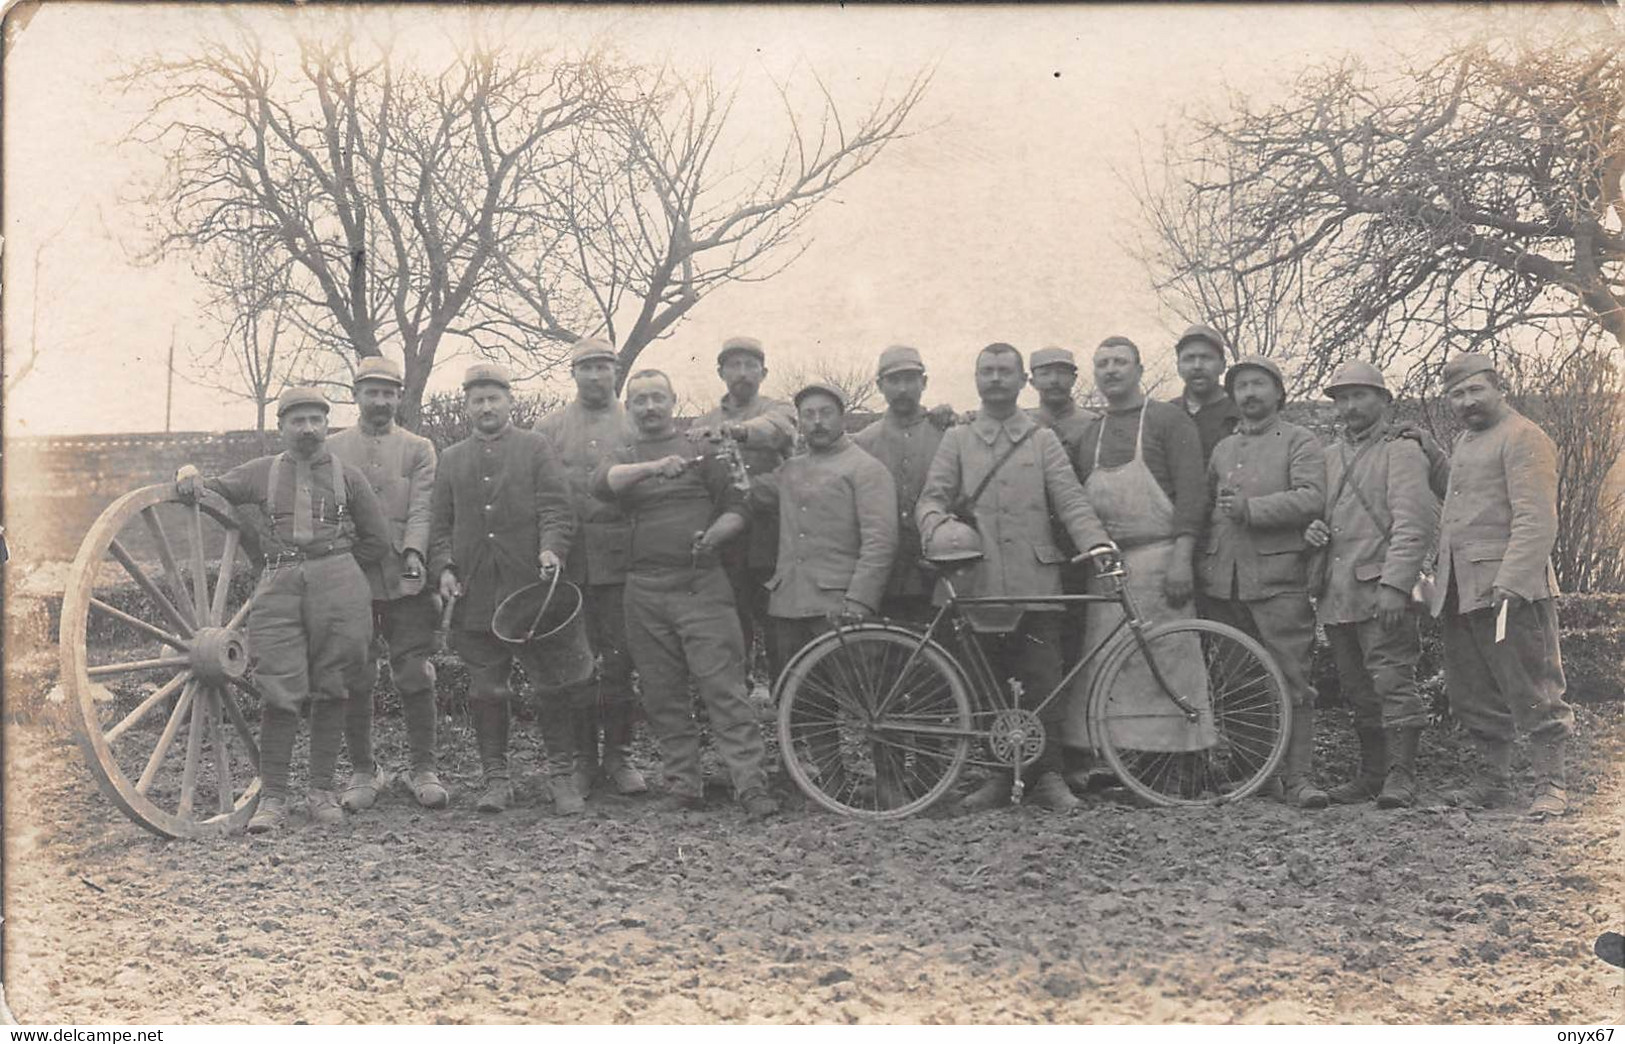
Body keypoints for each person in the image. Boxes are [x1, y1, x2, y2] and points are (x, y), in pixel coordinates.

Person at [175, 387, 389, 833]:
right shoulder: (261, 472)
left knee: (333, 685)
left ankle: (320, 791)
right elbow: (213, 492)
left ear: (327, 425)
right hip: (279, 584)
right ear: (282, 427)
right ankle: (273, 798)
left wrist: (339, 569)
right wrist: (190, 472)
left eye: (316, 420)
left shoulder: (349, 476)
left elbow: (377, 539)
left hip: (339, 582)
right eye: (299, 421)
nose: (308, 429)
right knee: (279, 686)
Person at [916, 343, 1113, 812]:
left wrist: (1097, 544)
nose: (996, 379)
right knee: (985, 684)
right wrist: (940, 533)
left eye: (1006, 371)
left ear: (1023, 380)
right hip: (975, 584)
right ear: (976, 379)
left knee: (1043, 680)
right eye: (987, 371)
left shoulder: (1041, 439)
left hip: (1036, 584)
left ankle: (1048, 777)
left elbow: (1071, 501)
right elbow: (930, 500)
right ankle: (998, 777)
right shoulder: (958, 440)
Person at [594, 369, 778, 819]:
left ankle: (751, 786)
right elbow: (602, 484)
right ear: (629, 406)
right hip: (644, 589)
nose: (650, 407)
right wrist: (655, 468)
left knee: (723, 688)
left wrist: (714, 536)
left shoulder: (703, 446)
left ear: (674, 400)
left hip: (701, 584)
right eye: (640, 400)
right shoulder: (624, 454)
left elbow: (740, 508)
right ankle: (683, 785)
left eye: (658, 397)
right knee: (661, 692)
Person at [428, 363, 580, 815]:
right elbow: (440, 526)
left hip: (531, 592)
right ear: (467, 406)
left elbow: (557, 508)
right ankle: (496, 780)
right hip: (476, 594)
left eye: (495, 398)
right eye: (478, 400)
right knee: (486, 691)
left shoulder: (535, 448)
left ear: (510, 402)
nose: (487, 407)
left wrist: (552, 550)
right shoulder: (451, 458)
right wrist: (445, 567)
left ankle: (561, 776)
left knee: (552, 686)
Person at [1429, 353, 1573, 818]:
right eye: (1457, 394)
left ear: (1498, 387)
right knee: (1473, 690)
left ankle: (1551, 784)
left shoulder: (1524, 436)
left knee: (1533, 685)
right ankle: (1493, 782)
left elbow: (1536, 519)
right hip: (1464, 589)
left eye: (1475, 390)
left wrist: (1512, 580)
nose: (1467, 401)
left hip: (1512, 590)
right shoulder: (1468, 442)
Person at [1063, 337, 1209, 790]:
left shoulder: (1168, 420)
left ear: (1140, 369)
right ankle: (1122, 764)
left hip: (1162, 559)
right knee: (1112, 666)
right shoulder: (1092, 432)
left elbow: (1192, 494)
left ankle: (1179, 767)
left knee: (1169, 663)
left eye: (1120, 362)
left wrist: (1182, 557)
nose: (1111, 370)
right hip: (1109, 569)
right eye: (1102, 363)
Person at [1303, 361, 1436, 809]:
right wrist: (1312, 533)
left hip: (1382, 591)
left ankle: (1402, 775)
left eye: (1360, 395)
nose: (1350, 406)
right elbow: (1319, 518)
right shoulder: (1327, 456)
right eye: (1342, 398)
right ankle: (1372, 774)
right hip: (1338, 593)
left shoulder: (1401, 451)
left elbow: (1413, 523)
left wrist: (1397, 585)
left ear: (1384, 400)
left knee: (1393, 680)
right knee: (1357, 688)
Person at [1198, 355, 1329, 809]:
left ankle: (1299, 779)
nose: (1250, 393)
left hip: (1278, 578)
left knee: (1293, 679)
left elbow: (1312, 497)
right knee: (1239, 683)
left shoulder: (1299, 440)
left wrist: (1253, 510)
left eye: (1259, 384)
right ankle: (1259, 775)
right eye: (1241, 386)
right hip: (1224, 582)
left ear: (1278, 392)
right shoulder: (1222, 449)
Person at [327, 357, 448, 811]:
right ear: (356, 394)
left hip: (405, 578)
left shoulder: (419, 448)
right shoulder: (333, 448)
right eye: (371, 392)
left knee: (414, 672)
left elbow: (423, 507)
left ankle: (424, 767)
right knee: (356, 674)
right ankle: (364, 769)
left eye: (388, 393)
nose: (379, 401)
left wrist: (415, 552)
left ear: (400, 397)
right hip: (353, 576)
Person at [535, 338, 648, 798]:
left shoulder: (636, 423)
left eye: (604, 367)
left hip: (624, 563)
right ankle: (583, 759)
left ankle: (619, 757)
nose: (596, 376)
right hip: (571, 562)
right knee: (575, 665)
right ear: (574, 374)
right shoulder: (550, 427)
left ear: (616, 372)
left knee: (621, 662)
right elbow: (541, 495)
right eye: (587, 368)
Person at [757, 381, 899, 661]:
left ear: (842, 417)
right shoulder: (790, 470)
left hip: (840, 608)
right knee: (795, 699)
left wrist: (860, 600)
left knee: (854, 697)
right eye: (808, 415)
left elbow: (880, 542)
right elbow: (748, 493)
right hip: (788, 607)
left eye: (826, 413)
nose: (817, 422)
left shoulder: (866, 468)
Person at [692, 337, 797, 690]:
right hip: (726, 538)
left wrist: (738, 431)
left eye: (750, 365)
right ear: (720, 372)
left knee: (779, 626)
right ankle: (737, 699)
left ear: (764, 372)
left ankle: (789, 704)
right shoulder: (704, 421)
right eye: (733, 365)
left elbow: (776, 429)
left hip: (773, 536)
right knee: (731, 624)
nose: (742, 373)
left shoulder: (778, 408)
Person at [851, 345, 949, 622]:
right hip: (885, 576)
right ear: (880, 385)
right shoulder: (863, 443)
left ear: (924, 382)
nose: (903, 388)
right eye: (894, 380)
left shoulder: (947, 434)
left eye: (911, 379)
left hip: (940, 571)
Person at [1027, 345, 1102, 665]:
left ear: (1074, 378)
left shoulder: (1094, 423)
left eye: (1062, 373)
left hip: (1079, 541)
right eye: (1045, 373)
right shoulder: (1021, 424)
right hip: (1033, 541)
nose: (1054, 381)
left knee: (1080, 629)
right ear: (1031, 381)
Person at [1169, 323, 1242, 463]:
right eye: (1189, 358)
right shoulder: (1166, 415)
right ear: (1178, 366)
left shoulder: (1241, 413)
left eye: (1206, 358)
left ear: (1223, 365)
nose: (1197, 366)